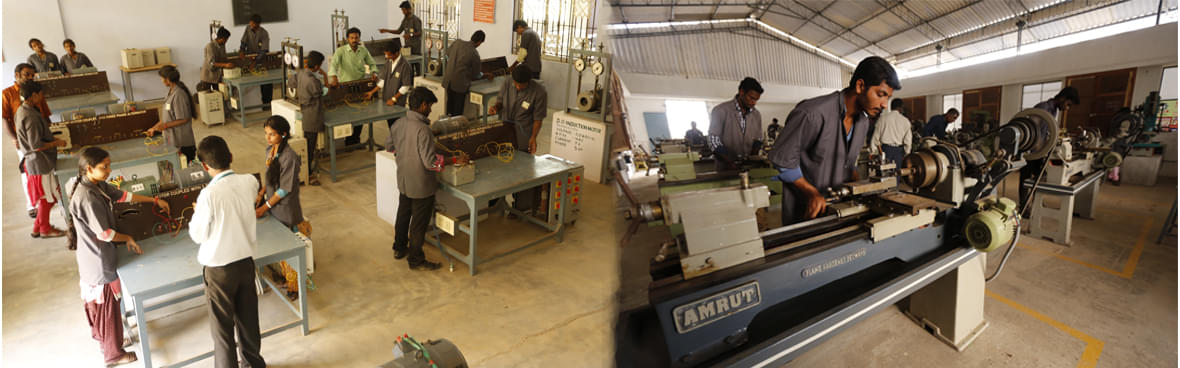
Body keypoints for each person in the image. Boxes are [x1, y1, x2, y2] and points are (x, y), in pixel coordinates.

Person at [768, 56, 900, 225]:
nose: (884, 104)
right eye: (881, 95)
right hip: (806, 214)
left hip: (840, 211)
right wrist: (811, 193)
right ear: (860, 86)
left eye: (887, 98)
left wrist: (865, 188)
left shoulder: (863, 123)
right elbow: (783, 160)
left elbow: (849, 164)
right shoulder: (813, 114)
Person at [67, 147, 169, 367]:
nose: (109, 171)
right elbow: (105, 234)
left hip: (92, 257)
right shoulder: (88, 197)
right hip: (98, 259)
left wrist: (153, 201)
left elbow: (122, 195)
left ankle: (107, 340)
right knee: (108, 307)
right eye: (104, 167)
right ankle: (113, 354)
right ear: (89, 168)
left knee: (103, 307)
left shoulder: (94, 184)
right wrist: (128, 238)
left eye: (109, 165)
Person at [188, 136, 266, 368]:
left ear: (205, 166)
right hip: (245, 263)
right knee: (248, 320)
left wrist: (198, 212)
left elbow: (198, 235)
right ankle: (253, 364)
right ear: (231, 156)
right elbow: (241, 206)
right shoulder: (249, 182)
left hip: (219, 270)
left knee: (222, 329)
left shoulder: (208, 195)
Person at [384, 87, 452, 271]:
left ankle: (399, 248)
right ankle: (415, 258)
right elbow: (430, 164)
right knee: (418, 223)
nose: (430, 109)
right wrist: (451, 160)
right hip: (422, 185)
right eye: (429, 106)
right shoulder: (423, 130)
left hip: (404, 179)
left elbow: (389, 146)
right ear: (423, 105)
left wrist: (406, 154)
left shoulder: (398, 123)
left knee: (403, 214)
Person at [489, 65, 548, 214]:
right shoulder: (507, 82)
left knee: (521, 170)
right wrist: (496, 108)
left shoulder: (539, 92)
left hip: (523, 133)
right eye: (516, 83)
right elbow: (500, 101)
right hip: (504, 129)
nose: (518, 87)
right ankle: (495, 203)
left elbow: (538, 119)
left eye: (521, 85)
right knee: (499, 166)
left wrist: (533, 138)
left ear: (529, 81)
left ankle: (520, 207)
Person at [16, 80, 68, 238]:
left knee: (46, 197)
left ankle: (37, 227)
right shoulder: (30, 116)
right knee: (48, 198)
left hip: (35, 162)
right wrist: (56, 142)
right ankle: (45, 229)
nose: (42, 97)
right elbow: (36, 145)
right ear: (33, 95)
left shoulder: (23, 110)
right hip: (39, 162)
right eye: (41, 94)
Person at [1021, 87, 1080, 214]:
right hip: (1030, 151)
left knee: (1038, 179)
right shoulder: (1043, 108)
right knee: (1025, 180)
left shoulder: (1053, 110)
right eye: (1068, 104)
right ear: (1062, 98)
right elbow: (1031, 130)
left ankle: (1036, 204)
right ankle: (1023, 207)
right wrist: (1033, 151)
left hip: (1040, 150)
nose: (1067, 108)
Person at [3, 63, 51, 219]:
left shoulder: (35, 90)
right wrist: (14, 138)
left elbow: (45, 113)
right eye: (27, 74)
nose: (30, 77)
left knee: (42, 172)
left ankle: (45, 199)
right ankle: (32, 204)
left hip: (40, 136)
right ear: (17, 75)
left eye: (32, 74)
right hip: (24, 141)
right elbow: (5, 118)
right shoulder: (7, 94)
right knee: (28, 171)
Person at [330, 27, 378, 148]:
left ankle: (355, 140)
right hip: (346, 86)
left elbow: (372, 63)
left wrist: (374, 72)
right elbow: (333, 66)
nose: (354, 40)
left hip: (360, 85)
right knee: (347, 113)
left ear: (359, 38)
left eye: (356, 37)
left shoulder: (363, 50)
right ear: (347, 39)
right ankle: (348, 140)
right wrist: (334, 77)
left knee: (360, 113)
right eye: (351, 38)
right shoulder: (340, 51)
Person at [255, 116, 303, 230]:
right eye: (266, 133)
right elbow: (271, 176)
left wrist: (264, 208)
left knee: (289, 237)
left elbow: (284, 190)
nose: (268, 137)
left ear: (283, 134)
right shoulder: (270, 150)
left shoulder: (289, 158)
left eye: (272, 134)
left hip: (285, 209)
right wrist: (261, 193)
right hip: (272, 203)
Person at [709, 77, 764, 171]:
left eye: (756, 100)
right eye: (751, 98)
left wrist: (751, 159)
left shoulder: (756, 115)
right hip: (725, 168)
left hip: (748, 168)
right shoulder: (721, 111)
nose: (754, 102)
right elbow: (714, 140)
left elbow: (758, 139)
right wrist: (730, 162)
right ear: (741, 92)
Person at [146, 65, 198, 164]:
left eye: (162, 78)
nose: (161, 80)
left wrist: (164, 126)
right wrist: (154, 127)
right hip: (173, 141)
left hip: (182, 143)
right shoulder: (171, 92)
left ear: (168, 79)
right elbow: (168, 117)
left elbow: (184, 119)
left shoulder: (178, 95)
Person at [294, 51, 328, 186]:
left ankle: (306, 172)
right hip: (313, 115)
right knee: (309, 146)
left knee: (308, 144)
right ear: (317, 66)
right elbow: (324, 92)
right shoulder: (313, 81)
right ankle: (308, 175)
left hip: (305, 112)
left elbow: (292, 82)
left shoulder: (301, 73)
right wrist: (325, 75)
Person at [364, 39, 413, 129]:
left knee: (398, 128)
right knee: (391, 127)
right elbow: (383, 81)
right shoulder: (388, 63)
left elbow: (405, 87)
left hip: (397, 104)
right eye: (386, 54)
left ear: (397, 53)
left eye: (389, 55)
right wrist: (372, 92)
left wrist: (394, 99)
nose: (387, 56)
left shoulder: (405, 66)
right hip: (387, 102)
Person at [442, 30, 490, 117]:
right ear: (479, 42)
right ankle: (456, 128)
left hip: (448, 81)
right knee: (457, 111)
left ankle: (447, 125)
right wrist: (485, 75)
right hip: (460, 85)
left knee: (449, 106)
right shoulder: (474, 53)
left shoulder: (457, 42)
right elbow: (476, 74)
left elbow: (447, 54)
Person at [240, 14, 273, 109]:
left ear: (258, 24)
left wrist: (255, 62)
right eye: (250, 22)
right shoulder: (247, 28)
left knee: (266, 83)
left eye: (253, 23)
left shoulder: (264, 33)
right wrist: (241, 50)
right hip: (250, 59)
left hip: (262, 60)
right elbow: (243, 42)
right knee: (248, 80)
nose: (251, 25)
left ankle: (267, 105)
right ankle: (251, 106)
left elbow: (264, 51)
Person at [870, 98, 913, 167]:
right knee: (898, 173)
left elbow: (875, 137)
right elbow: (908, 141)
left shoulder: (882, 119)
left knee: (885, 174)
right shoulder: (905, 121)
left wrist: (873, 152)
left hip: (885, 151)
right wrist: (907, 153)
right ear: (900, 108)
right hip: (899, 152)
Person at [199, 27, 235, 93]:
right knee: (207, 98)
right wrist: (225, 65)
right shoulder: (210, 46)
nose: (226, 41)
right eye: (226, 39)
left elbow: (223, 58)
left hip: (217, 76)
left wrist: (229, 64)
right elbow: (212, 63)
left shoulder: (222, 45)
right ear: (222, 38)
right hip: (208, 76)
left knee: (220, 96)